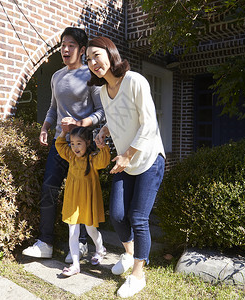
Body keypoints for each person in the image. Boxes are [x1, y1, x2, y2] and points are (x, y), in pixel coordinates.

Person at [86, 36, 166, 298]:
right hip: (125, 160)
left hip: (148, 158)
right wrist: (103, 130)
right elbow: (118, 115)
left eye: (96, 55)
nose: (93, 62)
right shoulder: (101, 91)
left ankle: (138, 276)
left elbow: (149, 123)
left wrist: (128, 154)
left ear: (110, 54)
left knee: (139, 218)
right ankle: (130, 255)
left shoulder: (134, 81)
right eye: (88, 59)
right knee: (118, 215)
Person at [22, 27, 104, 262]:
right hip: (61, 146)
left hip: (83, 148)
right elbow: (53, 108)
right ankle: (45, 242)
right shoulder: (56, 76)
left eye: (71, 45)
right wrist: (46, 126)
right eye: (63, 45)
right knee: (49, 188)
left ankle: (81, 244)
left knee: (82, 195)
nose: (65, 50)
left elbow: (101, 112)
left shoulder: (91, 75)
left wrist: (79, 123)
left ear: (81, 50)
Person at [55, 126, 110, 276]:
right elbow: (59, 144)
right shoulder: (71, 157)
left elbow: (104, 161)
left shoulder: (92, 159)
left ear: (87, 142)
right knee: (73, 231)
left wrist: (103, 147)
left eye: (79, 143)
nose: (75, 147)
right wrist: (64, 132)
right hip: (73, 200)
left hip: (87, 201)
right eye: (72, 143)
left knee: (91, 230)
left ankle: (100, 249)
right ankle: (75, 265)